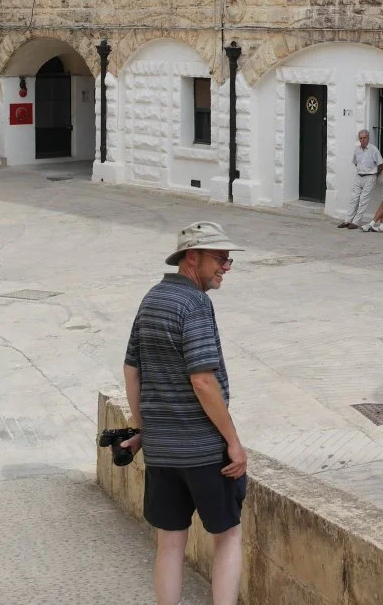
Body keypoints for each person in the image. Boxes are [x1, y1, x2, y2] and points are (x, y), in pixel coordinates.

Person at [122, 222, 247, 605]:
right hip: (205, 452)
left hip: (162, 452)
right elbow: (203, 381)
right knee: (227, 538)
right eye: (220, 258)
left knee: (170, 543)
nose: (226, 266)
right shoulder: (194, 305)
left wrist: (145, 429)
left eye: (228, 260)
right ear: (192, 257)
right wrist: (234, 442)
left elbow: (132, 369)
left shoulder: (153, 298)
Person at [339, 129, 383, 229]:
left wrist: (375, 174)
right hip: (359, 176)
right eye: (361, 138)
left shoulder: (373, 149)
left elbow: (381, 164)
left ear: (368, 138)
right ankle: (347, 220)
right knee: (354, 199)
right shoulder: (357, 149)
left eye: (365, 138)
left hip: (369, 177)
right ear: (359, 139)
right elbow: (355, 162)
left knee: (363, 200)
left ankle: (356, 222)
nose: (363, 140)